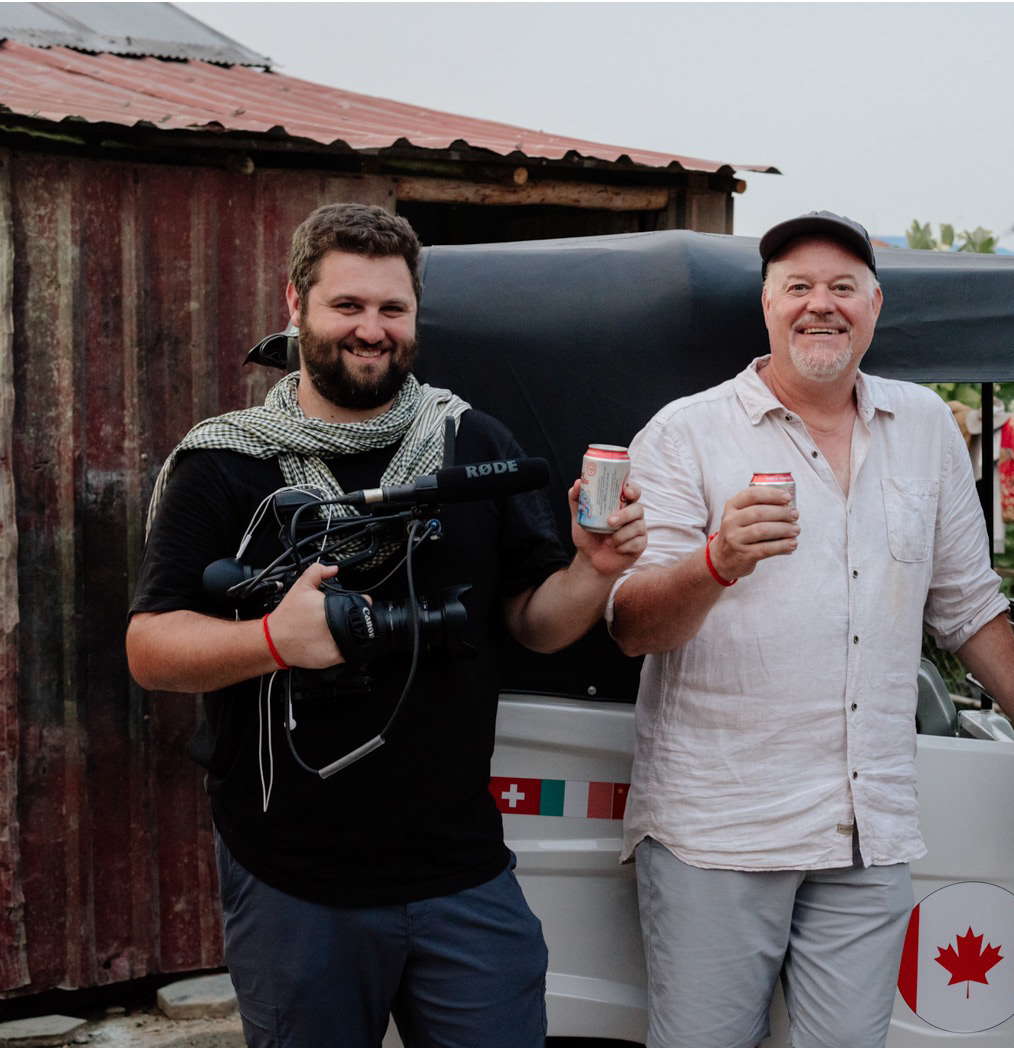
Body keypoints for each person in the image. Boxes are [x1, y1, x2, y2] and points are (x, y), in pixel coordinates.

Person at [125, 203, 646, 1048]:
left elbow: (535, 624)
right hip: (293, 879)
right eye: (348, 306)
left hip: (461, 872)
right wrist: (270, 643)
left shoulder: (471, 440)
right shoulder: (224, 461)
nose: (372, 330)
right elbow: (150, 650)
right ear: (295, 305)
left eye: (392, 310)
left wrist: (594, 569)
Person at [609, 210, 1014, 1048]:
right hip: (719, 831)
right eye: (798, 287)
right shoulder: (686, 432)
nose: (819, 305)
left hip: (867, 829)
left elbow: (967, 601)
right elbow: (629, 624)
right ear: (767, 305)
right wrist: (716, 562)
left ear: (875, 304)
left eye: (841, 288)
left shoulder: (925, 427)